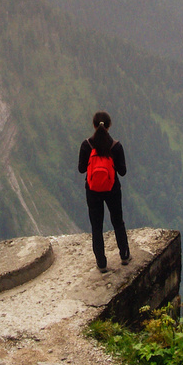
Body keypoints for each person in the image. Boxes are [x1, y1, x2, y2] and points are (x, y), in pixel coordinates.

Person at [78, 110, 131, 272]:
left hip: (92, 191)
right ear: (109, 126)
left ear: (94, 125)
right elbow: (122, 172)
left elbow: (81, 169)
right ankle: (124, 255)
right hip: (112, 189)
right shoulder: (116, 146)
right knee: (117, 222)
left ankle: (101, 264)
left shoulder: (86, 145)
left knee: (96, 226)